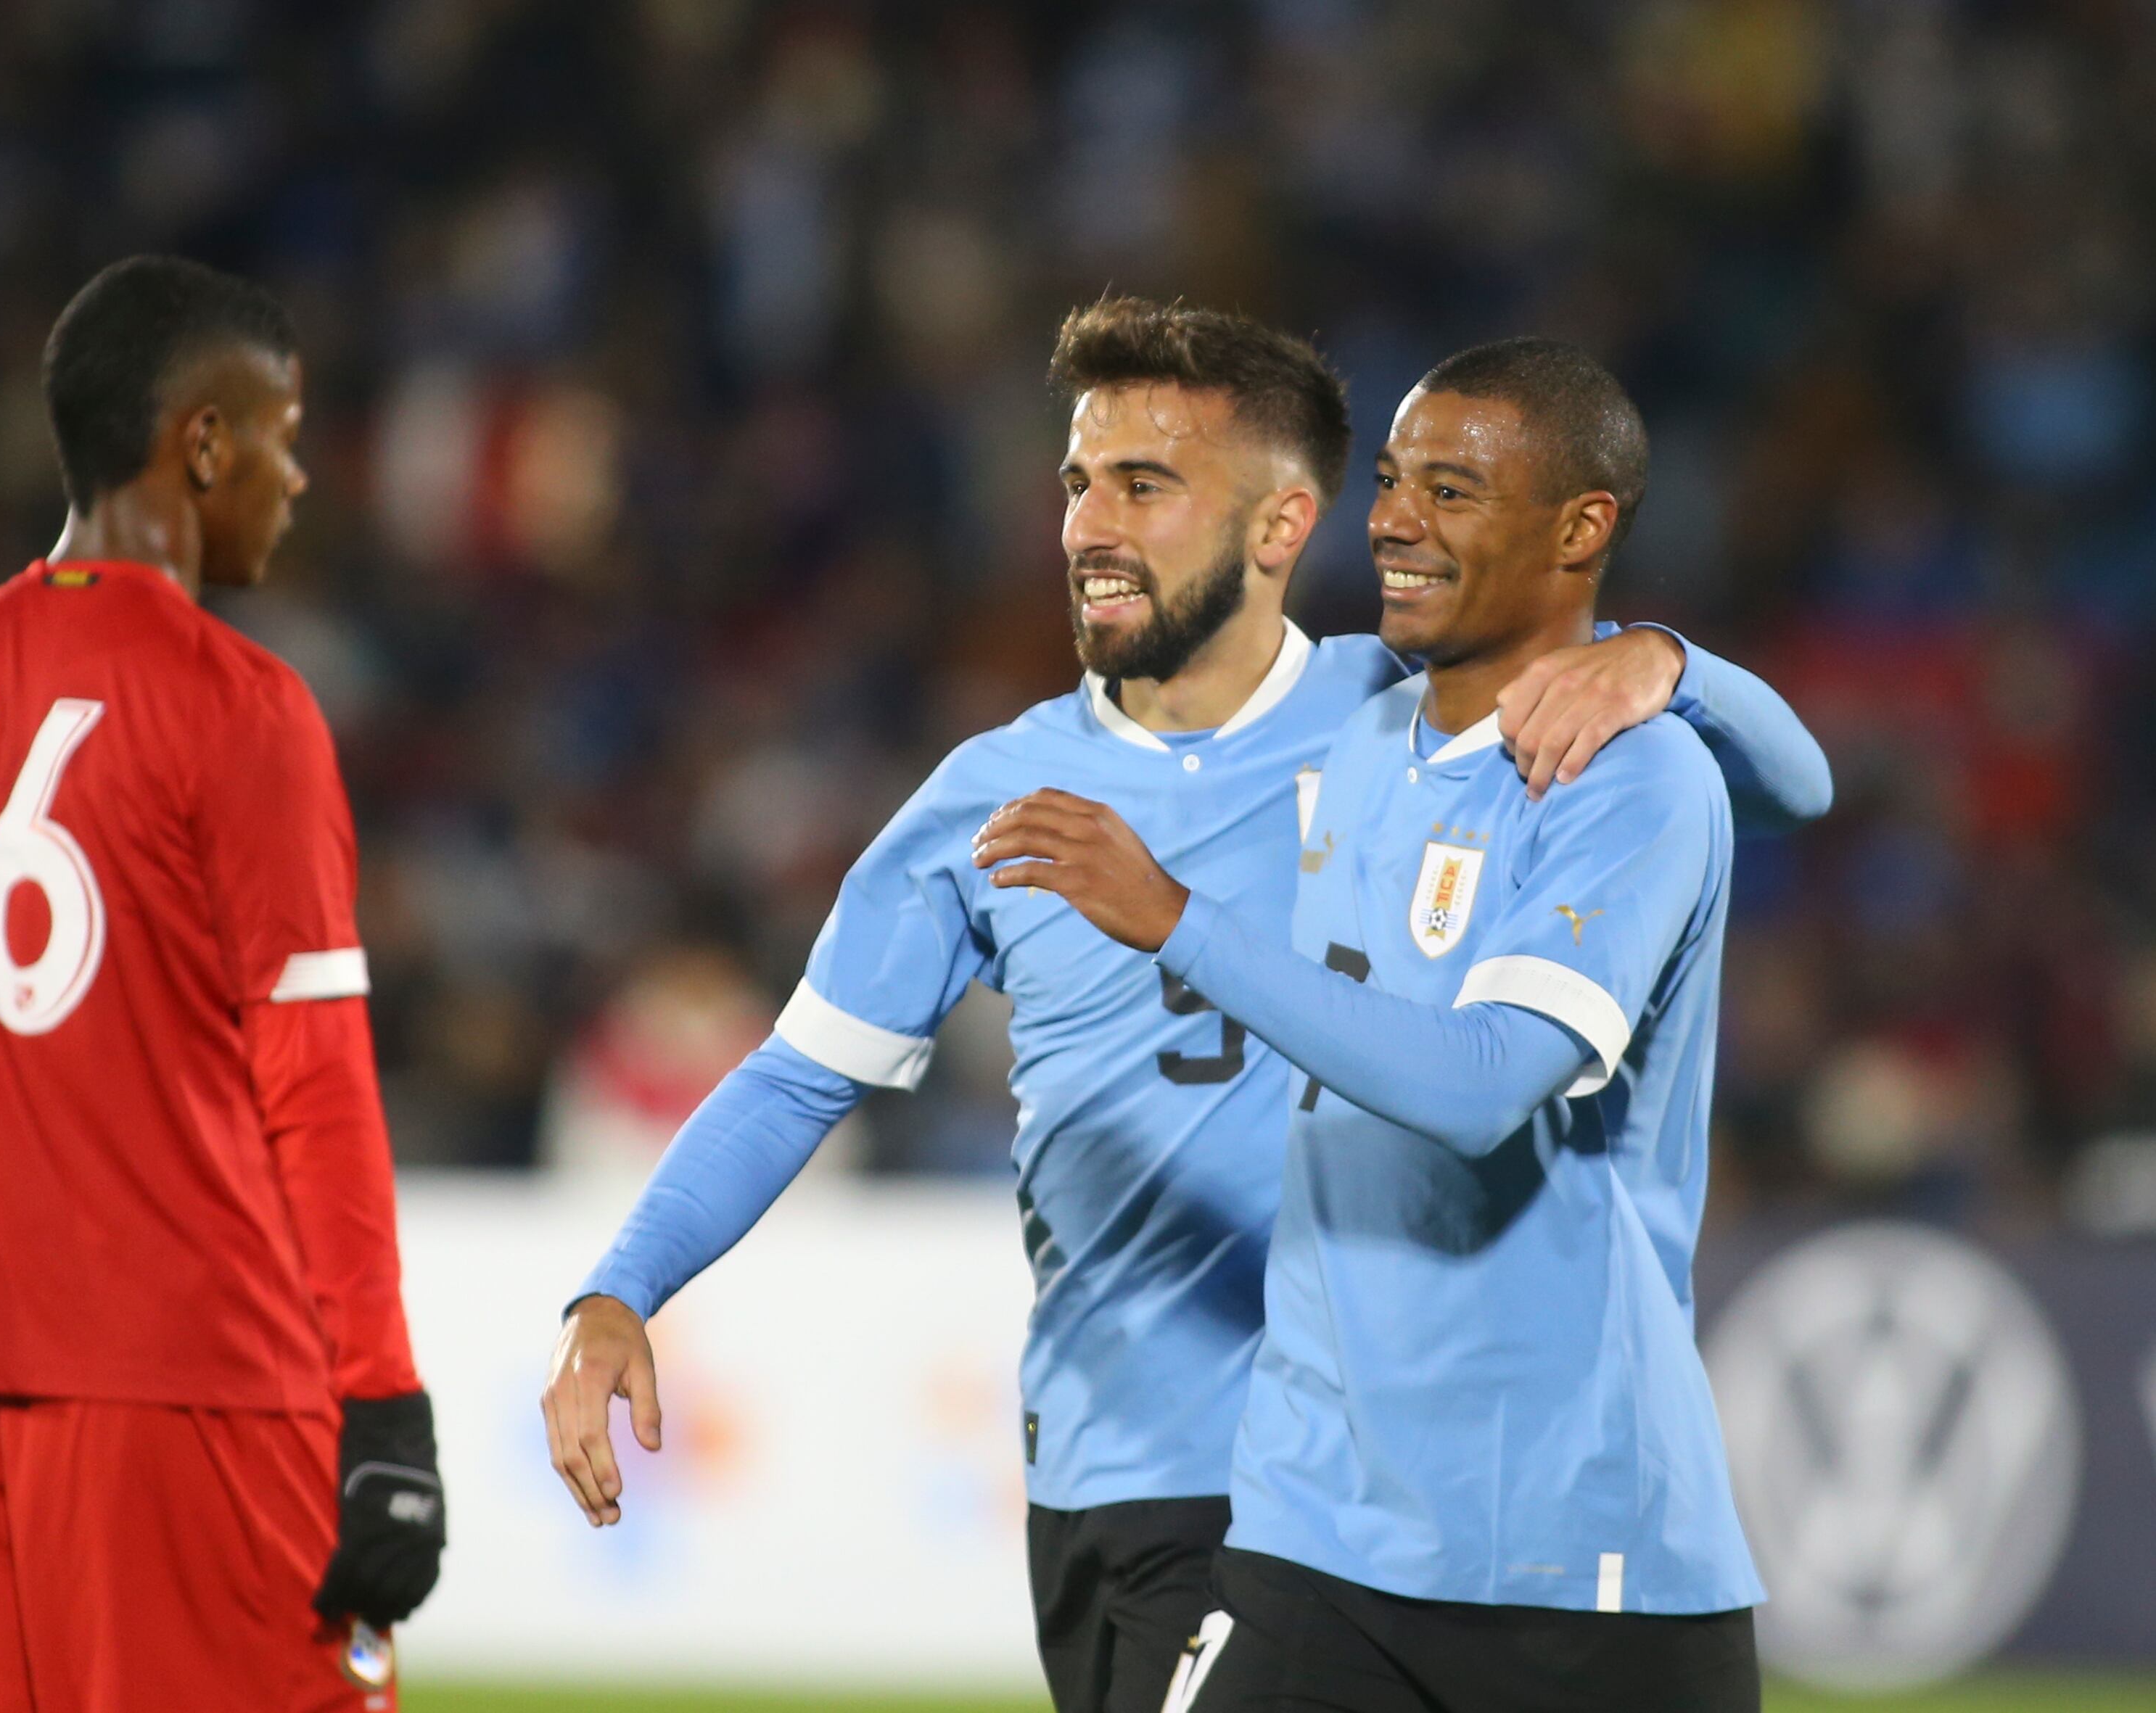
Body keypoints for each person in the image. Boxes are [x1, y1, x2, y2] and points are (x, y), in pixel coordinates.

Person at [542, 301, 1824, 1713]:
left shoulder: (1392, 717)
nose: (1088, 523)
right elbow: (799, 1075)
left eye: (1140, 486)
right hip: (1130, 1464)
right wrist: (622, 1283)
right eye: (1075, 484)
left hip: (1327, 1480)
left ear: (1276, 527)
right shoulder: (990, 795)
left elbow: (1774, 789)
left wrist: (1668, 661)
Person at [975, 339, 1769, 1712]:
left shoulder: (1635, 779)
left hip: (1572, 1545)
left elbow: (1481, 1086)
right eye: (1393, 480)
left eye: (1451, 491)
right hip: (1317, 1525)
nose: (1393, 518)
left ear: (1582, 527)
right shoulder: (1357, 738)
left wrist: (1673, 663)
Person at [0, 256, 444, 1713]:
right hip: (203, 1386)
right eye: (284, 433)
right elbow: (314, 1078)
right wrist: (379, 1395)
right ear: (201, 442)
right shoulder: (241, 705)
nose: (299, 477)